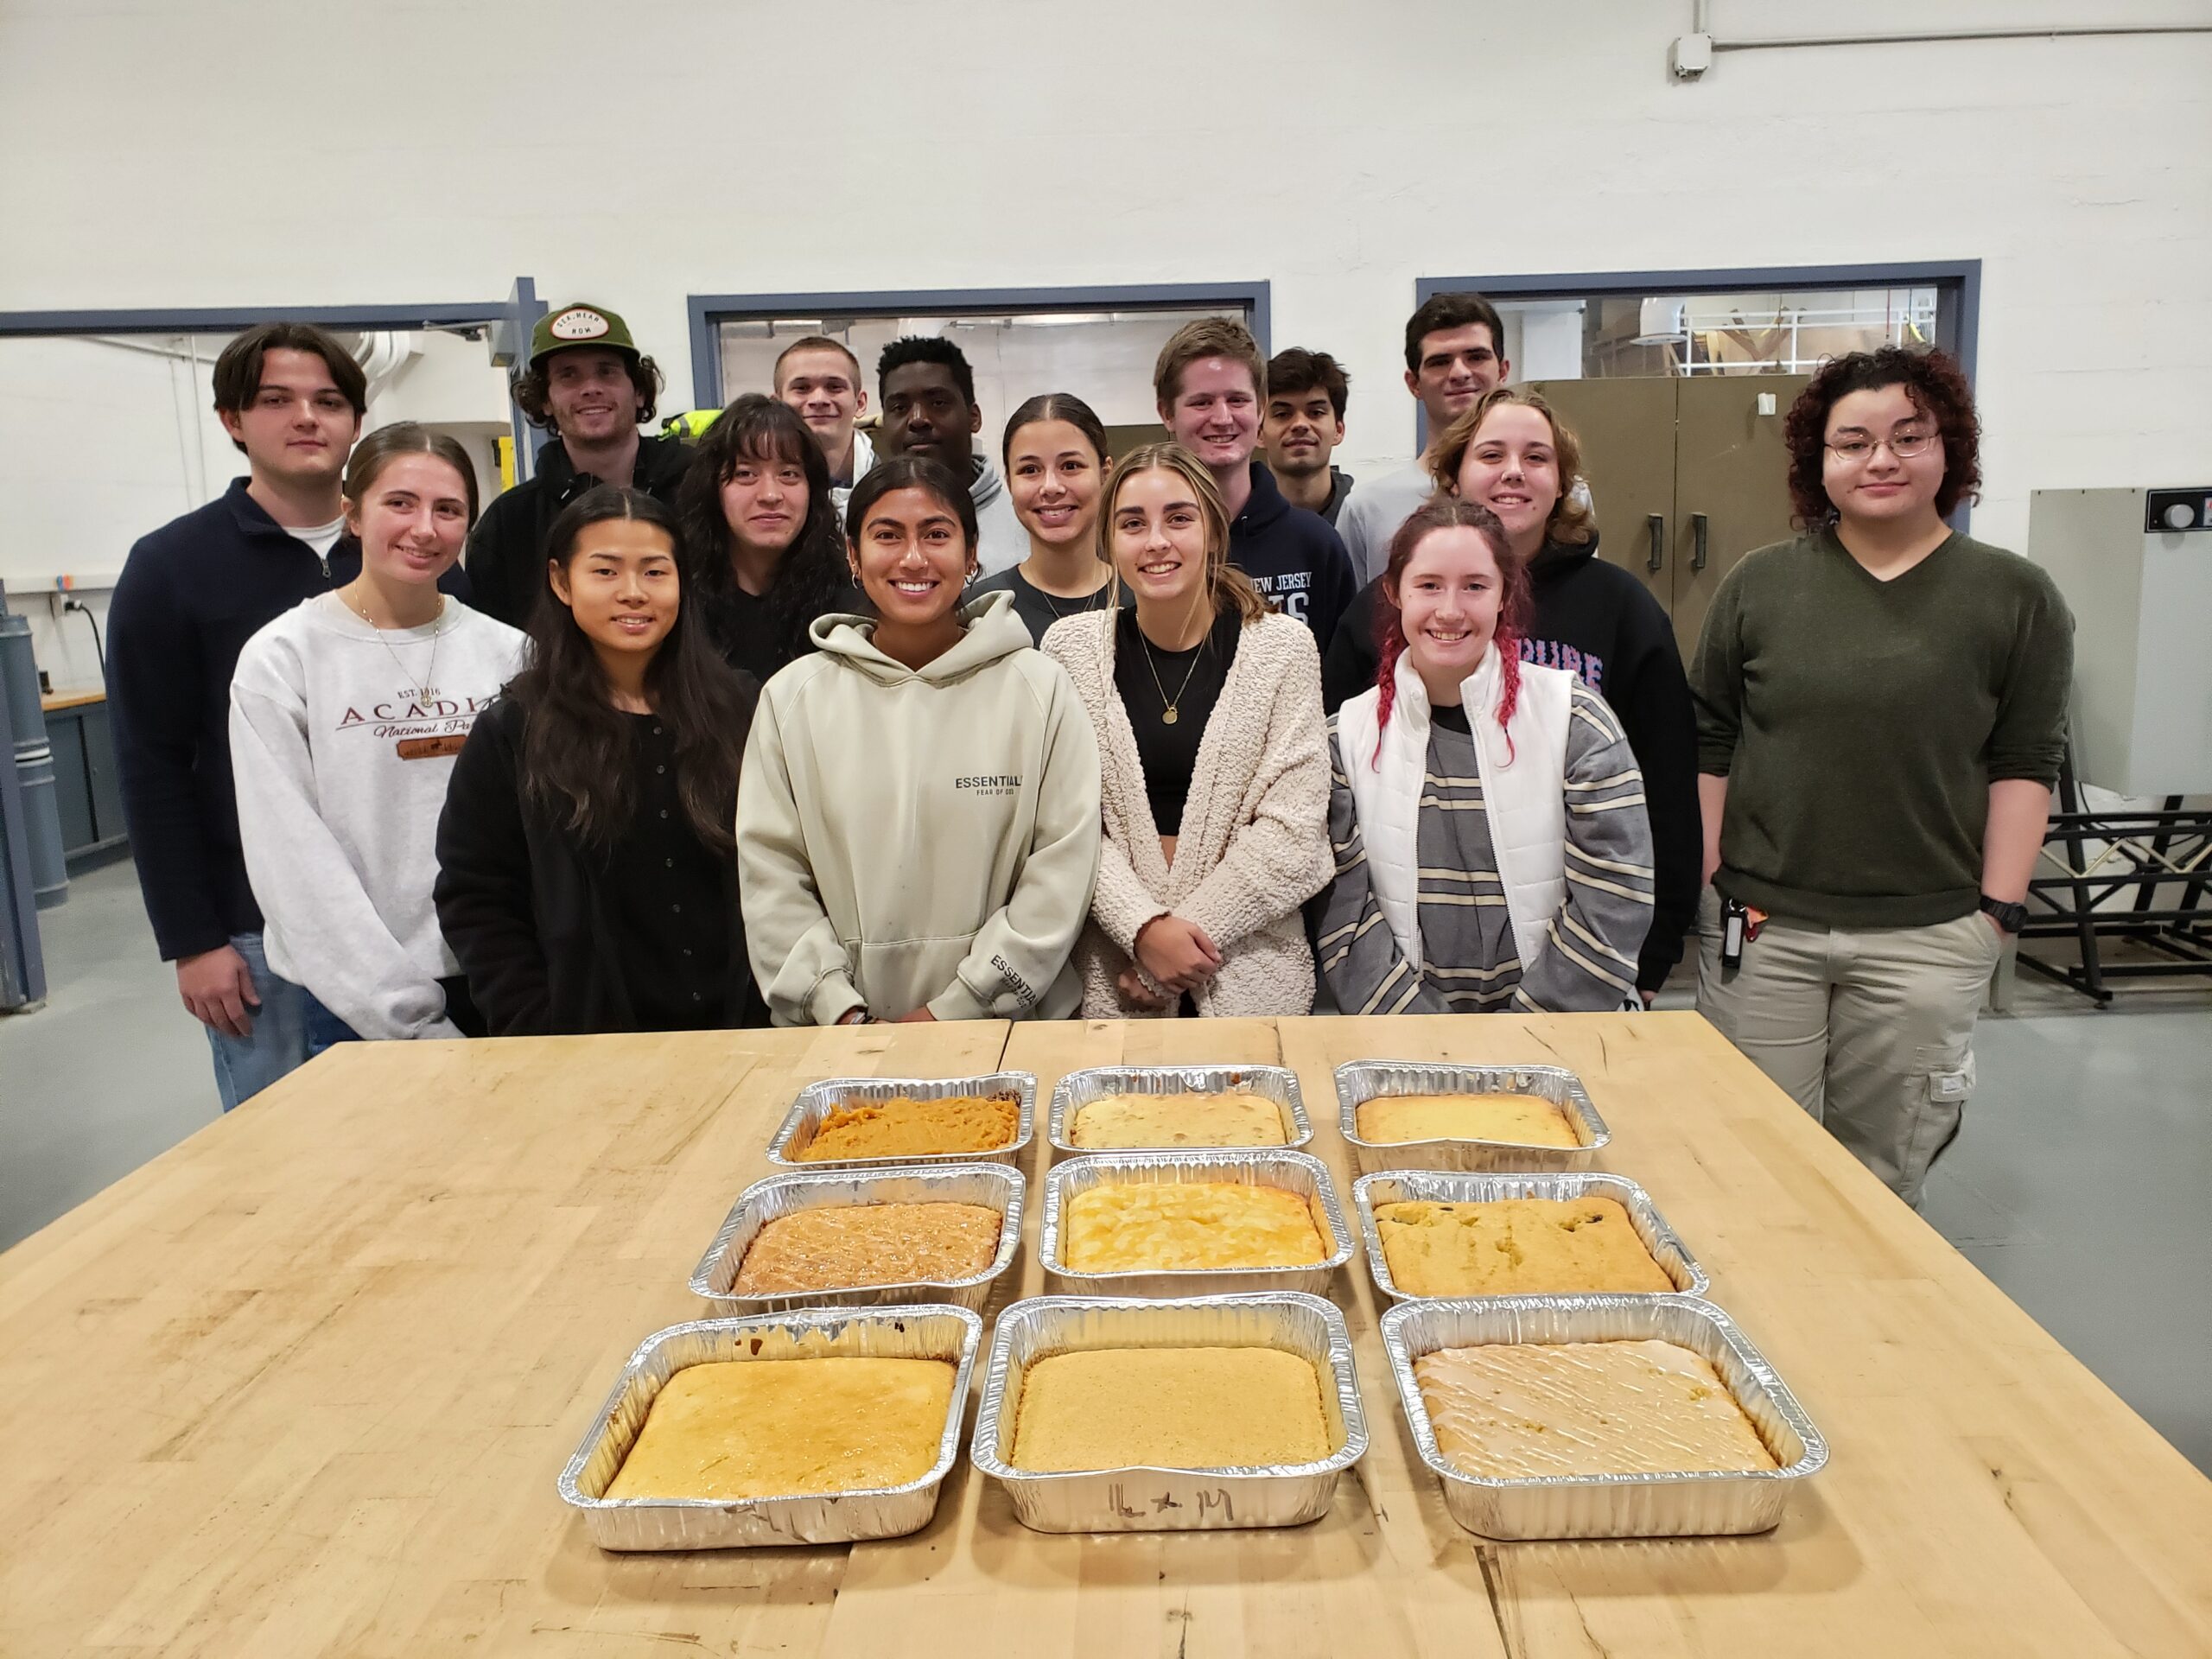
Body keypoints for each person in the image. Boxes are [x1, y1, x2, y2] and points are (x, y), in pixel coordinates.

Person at [1692, 347, 2072, 1206]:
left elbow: (2024, 760)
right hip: (1766, 931)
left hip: (1926, 934)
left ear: (1950, 451)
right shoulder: (1759, 587)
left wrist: (1993, 918)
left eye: (1908, 436)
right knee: (1753, 1167)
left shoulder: (2013, 595)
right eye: (1851, 441)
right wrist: (1716, 883)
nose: (1880, 460)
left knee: (1878, 1181)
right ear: (1815, 463)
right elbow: (1709, 741)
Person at [106, 323, 449, 1109]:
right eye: (277, 400)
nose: (307, 418)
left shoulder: (421, 556)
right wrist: (195, 940)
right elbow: (150, 764)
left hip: (411, 924)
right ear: (232, 420)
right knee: (288, 1151)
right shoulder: (171, 568)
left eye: (329, 401)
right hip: (257, 933)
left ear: (356, 423)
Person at [1324, 387, 1698, 1001]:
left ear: (1506, 597)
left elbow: (1656, 810)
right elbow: (1341, 883)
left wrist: (1640, 963)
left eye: (1475, 585)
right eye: (1492, 453)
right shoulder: (1352, 717)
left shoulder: (1592, 677)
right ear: (1396, 594)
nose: (1449, 610)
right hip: (1401, 1020)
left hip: (1564, 1012)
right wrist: (1407, 1023)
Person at [737, 454, 1101, 1024]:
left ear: (972, 552)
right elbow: (773, 877)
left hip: (1013, 1035)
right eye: (887, 535)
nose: (913, 558)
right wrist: (841, 1012)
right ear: (854, 555)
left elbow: (1062, 869)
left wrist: (956, 1011)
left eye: (936, 534)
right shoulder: (793, 701)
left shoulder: (1039, 689)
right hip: (842, 1044)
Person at [229, 424, 527, 1053]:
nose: (424, 528)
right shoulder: (283, 659)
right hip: (353, 1002)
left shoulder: (511, 652)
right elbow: (294, 864)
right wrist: (401, 1011)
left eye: (448, 510)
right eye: (400, 503)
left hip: (501, 981)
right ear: (352, 513)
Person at [435, 486, 764, 1034]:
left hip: (745, 1031)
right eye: (606, 572)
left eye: (655, 572)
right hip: (587, 1045)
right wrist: (535, 1024)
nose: (633, 593)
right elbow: (477, 896)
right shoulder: (514, 731)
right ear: (562, 582)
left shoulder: (742, 710)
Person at [1041, 442, 1332, 1017]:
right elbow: (1060, 826)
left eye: (1179, 518)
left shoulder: (1283, 650)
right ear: (1108, 542)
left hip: (1251, 972)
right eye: (1132, 523)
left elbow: (1294, 833)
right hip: (1111, 974)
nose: (1156, 541)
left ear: (1214, 531)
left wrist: (1182, 938)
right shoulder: (1068, 651)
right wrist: (1142, 930)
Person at [466, 302, 687, 629]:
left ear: (639, 391)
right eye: (568, 375)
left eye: (606, 371)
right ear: (545, 400)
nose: (590, 388)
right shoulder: (509, 525)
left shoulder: (701, 489)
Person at [1154, 317, 1357, 653]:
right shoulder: (1145, 545)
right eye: (1202, 402)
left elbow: (1343, 687)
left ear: (1260, 408)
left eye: (1237, 400)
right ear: (1167, 413)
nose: (1222, 418)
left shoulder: (1316, 544)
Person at [676, 394, 858, 683]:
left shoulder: (849, 607)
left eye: (789, 474)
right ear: (712, 488)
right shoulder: (677, 599)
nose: (770, 495)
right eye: (746, 474)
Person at [1338, 291, 1510, 583]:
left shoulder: (1553, 496)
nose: (1459, 372)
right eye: (1440, 361)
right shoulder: (1367, 511)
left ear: (1503, 370)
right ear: (1413, 383)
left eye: (1476, 357)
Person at [968, 392, 1129, 644]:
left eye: (1070, 466)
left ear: (1105, 474)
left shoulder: (1146, 602)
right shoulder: (978, 610)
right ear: (1010, 483)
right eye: (1030, 470)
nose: (1051, 487)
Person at [870, 335, 1026, 575]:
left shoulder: (1026, 523)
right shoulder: (861, 522)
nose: (918, 419)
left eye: (939, 403)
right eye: (900, 408)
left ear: (974, 417)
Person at [772, 335, 874, 518]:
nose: (819, 400)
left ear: (860, 403)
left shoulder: (896, 483)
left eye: (834, 387)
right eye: (802, 388)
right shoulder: (755, 490)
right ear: (777, 404)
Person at [1262, 348, 1354, 525]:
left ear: (1338, 430)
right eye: (1282, 414)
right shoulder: (1230, 526)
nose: (1300, 425)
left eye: (1316, 413)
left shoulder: (1364, 522)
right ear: (1259, 433)